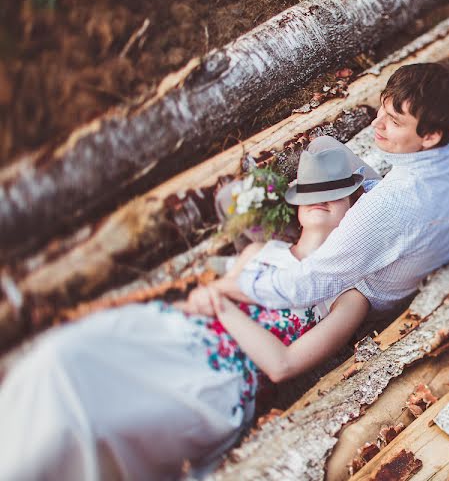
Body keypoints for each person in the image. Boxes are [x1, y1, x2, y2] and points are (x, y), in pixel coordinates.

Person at [0, 139, 376, 480]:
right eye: (310, 189)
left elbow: (282, 366)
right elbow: (202, 301)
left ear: (355, 207)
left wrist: (225, 307)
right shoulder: (259, 252)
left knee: (99, 424)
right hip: (174, 333)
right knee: (59, 358)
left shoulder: (347, 297)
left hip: (214, 382)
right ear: (295, 208)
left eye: (336, 191)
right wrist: (201, 300)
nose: (319, 198)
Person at [199, 63, 449, 316]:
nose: (377, 123)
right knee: (324, 149)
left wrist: (235, 284)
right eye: (384, 106)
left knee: (231, 200)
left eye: (394, 122)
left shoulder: (390, 207)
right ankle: (253, 258)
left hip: (363, 291)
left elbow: (307, 285)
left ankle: (250, 265)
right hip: (412, 244)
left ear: (431, 136)